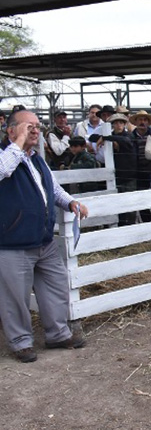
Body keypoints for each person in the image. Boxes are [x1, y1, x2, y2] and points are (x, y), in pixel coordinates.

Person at [0, 110, 89, 363]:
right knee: (15, 296)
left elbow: (52, 186)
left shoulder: (36, 158)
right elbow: (2, 171)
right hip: (12, 241)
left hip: (43, 238)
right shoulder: (5, 155)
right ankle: (20, 342)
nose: (36, 131)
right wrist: (18, 143)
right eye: (29, 127)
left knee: (56, 285)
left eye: (37, 126)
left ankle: (58, 334)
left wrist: (70, 201)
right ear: (11, 130)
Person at [129, 110, 151, 222]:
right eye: (140, 120)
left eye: (145, 120)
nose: (142, 122)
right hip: (138, 171)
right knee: (141, 198)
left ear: (148, 122)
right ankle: (147, 222)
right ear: (135, 122)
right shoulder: (130, 136)